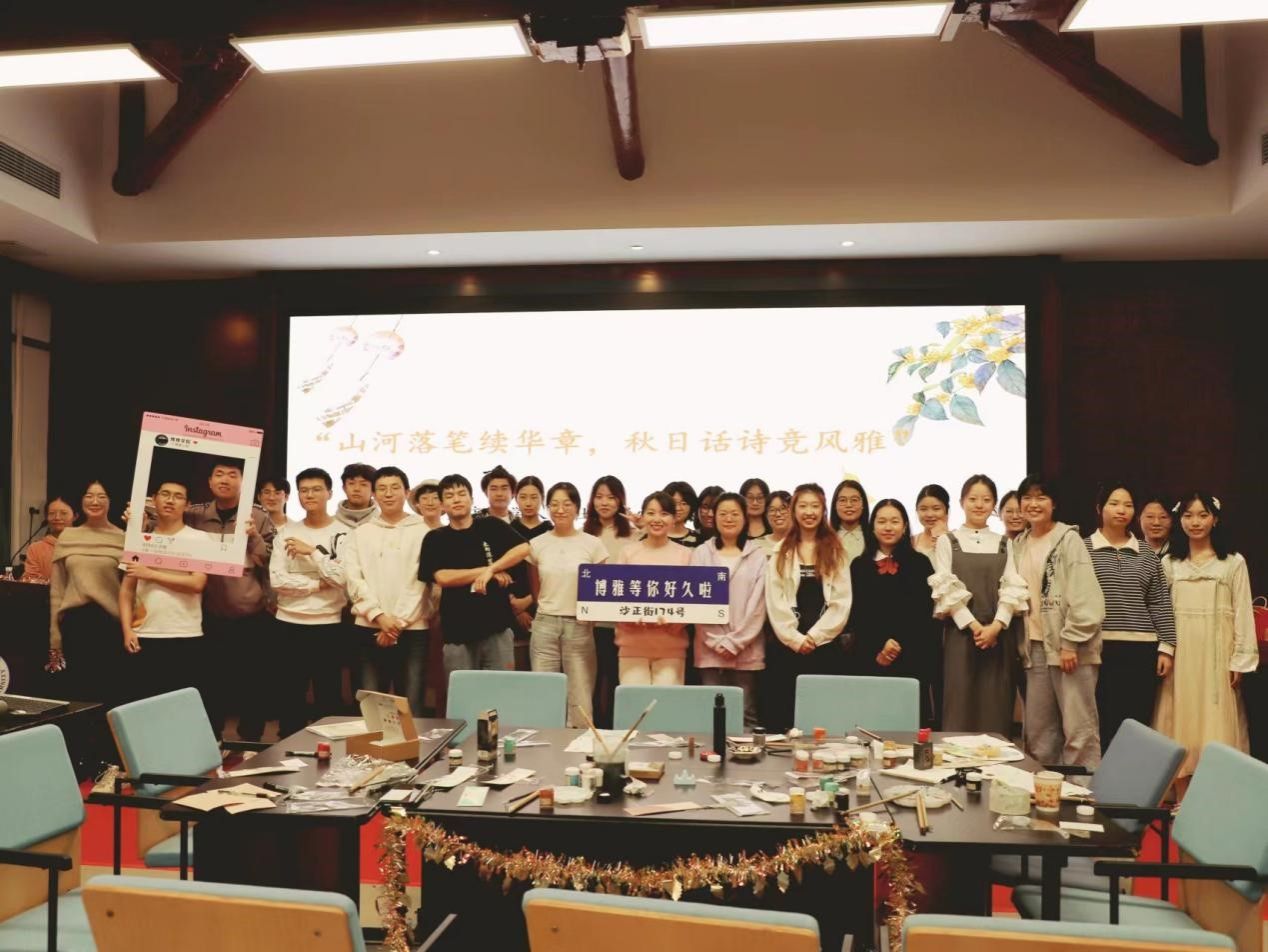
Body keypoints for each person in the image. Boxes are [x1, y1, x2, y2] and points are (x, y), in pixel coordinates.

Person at [1155, 492, 1257, 780]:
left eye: (1203, 515)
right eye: (1188, 516)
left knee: (1216, 719)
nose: (1195, 522)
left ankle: (1216, 790)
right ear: (1180, 520)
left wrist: (1240, 659)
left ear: (1215, 519)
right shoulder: (1170, 563)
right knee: (1179, 718)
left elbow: (1243, 611)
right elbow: (1162, 611)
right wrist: (1165, 648)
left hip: (1217, 654)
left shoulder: (1233, 563)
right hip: (1181, 655)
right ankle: (1179, 792)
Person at [1012, 475, 1105, 768]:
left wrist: (1071, 642)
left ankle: (1082, 791)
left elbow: (1086, 596)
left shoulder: (1069, 540)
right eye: (1027, 498)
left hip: (1070, 647)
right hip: (1035, 647)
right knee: (1039, 732)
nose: (1033, 504)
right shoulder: (1019, 543)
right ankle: (1045, 789)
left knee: (1078, 730)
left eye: (1041, 498)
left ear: (1054, 504)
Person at [182, 457, 275, 741]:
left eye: (232, 474)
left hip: (251, 614)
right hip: (209, 614)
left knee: (253, 684)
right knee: (210, 683)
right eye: (219, 474)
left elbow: (270, 561)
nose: (225, 479)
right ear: (210, 482)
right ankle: (212, 740)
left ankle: (251, 742)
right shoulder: (194, 514)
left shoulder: (257, 516)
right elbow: (163, 527)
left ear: (243, 481)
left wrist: (253, 536)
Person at [929, 474, 1028, 735]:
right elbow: (945, 589)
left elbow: (1012, 587)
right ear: (962, 502)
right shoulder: (947, 541)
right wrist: (974, 627)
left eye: (986, 499)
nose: (979, 504)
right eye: (973, 499)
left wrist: (996, 627)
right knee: (959, 708)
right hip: (961, 635)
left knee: (996, 709)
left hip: (998, 638)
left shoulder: (1005, 543)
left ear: (994, 504)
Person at [1085, 481, 1176, 754]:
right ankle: (1101, 778)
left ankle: (1132, 778)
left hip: (1141, 648)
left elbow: (1159, 602)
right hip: (1097, 647)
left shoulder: (1147, 553)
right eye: (1114, 504)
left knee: (1136, 720)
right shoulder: (1082, 548)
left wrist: (1167, 647)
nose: (1121, 510)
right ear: (1100, 508)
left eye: (1127, 505)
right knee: (1099, 718)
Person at [418, 474, 530, 674]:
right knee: (462, 690)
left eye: (462, 494)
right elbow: (443, 577)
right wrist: (487, 571)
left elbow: (523, 548)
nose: (457, 499)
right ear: (442, 505)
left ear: (471, 499)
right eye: (450, 496)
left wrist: (492, 569)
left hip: (497, 626)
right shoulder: (435, 538)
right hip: (457, 630)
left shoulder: (491, 525)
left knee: (500, 688)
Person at [343, 466, 432, 716]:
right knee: (371, 706)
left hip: (413, 629)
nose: (388, 493)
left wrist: (396, 624)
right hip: (368, 626)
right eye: (381, 488)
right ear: (374, 494)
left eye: (395, 488)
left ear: (407, 492)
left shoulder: (424, 532)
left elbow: (420, 582)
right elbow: (353, 578)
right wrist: (379, 616)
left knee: (411, 706)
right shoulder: (360, 533)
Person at [846, 499, 941, 726]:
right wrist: (879, 646)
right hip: (870, 656)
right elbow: (857, 614)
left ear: (905, 526)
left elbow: (924, 613)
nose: (888, 527)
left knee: (909, 725)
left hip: (912, 656)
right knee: (871, 723)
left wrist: (898, 644)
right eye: (882, 521)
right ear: (872, 527)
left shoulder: (920, 563)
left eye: (895, 521)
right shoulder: (859, 566)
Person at [766, 483, 852, 731]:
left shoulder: (835, 549)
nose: (809, 512)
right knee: (785, 715)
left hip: (824, 645)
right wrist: (794, 638)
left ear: (823, 510)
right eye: (803, 506)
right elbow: (775, 599)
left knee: (822, 717)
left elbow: (842, 601)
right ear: (794, 510)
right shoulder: (781, 549)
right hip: (787, 645)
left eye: (815, 506)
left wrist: (815, 637)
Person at [270, 467, 349, 736]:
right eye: (304, 490)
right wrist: (318, 583)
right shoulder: (286, 532)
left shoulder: (344, 533)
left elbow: (342, 578)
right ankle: (288, 748)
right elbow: (277, 580)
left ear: (330, 493)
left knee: (329, 695)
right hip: (288, 622)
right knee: (290, 694)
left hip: (329, 623)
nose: (309, 495)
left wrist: (312, 552)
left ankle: (330, 752)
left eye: (316, 489)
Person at [119, 479, 209, 706]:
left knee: (182, 705)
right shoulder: (140, 539)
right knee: (145, 704)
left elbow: (197, 583)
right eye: (165, 494)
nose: (170, 500)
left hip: (185, 633)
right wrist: (127, 630)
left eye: (178, 496)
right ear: (154, 499)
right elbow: (126, 591)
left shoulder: (198, 538)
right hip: (145, 634)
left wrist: (150, 574)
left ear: (187, 505)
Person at [527, 482, 608, 727]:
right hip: (545, 624)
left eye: (566, 504)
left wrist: (590, 616)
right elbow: (536, 587)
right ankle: (546, 743)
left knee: (581, 693)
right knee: (544, 691)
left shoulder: (593, 544)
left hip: (579, 624)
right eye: (554, 504)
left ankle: (580, 743)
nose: (560, 510)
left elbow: (599, 588)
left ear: (577, 507)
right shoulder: (537, 543)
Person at [690, 492, 766, 728]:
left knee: (745, 716)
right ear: (714, 517)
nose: (729, 519)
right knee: (709, 718)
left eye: (735, 513)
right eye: (723, 513)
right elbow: (695, 602)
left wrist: (736, 641)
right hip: (709, 648)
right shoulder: (701, 553)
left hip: (747, 649)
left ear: (745, 518)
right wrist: (715, 640)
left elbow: (758, 605)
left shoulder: (758, 555)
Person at [48, 480, 125, 705]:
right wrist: (54, 634)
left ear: (110, 501)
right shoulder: (68, 537)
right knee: (76, 694)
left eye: (101, 496)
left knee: (110, 693)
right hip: (75, 624)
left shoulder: (122, 538)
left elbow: (132, 588)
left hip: (112, 625)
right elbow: (57, 589)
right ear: (81, 501)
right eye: (89, 496)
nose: (95, 501)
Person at [615, 491, 693, 685]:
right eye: (651, 513)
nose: (657, 519)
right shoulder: (628, 553)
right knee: (634, 703)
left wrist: (675, 621)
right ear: (642, 517)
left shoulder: (686, 555)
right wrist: (631, 616)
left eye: (664, 513)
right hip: (632, 645)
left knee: (667, 702)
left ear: (674, 519)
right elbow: (615, 599)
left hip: (672, 647)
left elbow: (693, 604)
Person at [583, 475, 635, 725]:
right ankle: (594, 727)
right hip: (591, 621)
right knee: (592, 678)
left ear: (620, 501)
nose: (604, 503)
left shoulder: (633, 534)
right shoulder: (583, 533)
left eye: (611, 497)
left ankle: (616, 727)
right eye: (599, 497)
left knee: (616, 677)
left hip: (623, 621)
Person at [22, 495, 76, 582]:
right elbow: (31, 580)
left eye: (63, 513)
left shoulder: (87, 546)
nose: (57, 517)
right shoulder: (35, 549)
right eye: (52, 513)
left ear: (75, 516)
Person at [830, 479, 869, 565]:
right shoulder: (826, 538)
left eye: (854, 500)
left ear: (863, 504)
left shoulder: (873, 537)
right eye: (843, 500)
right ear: (835, 505)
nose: (849, 505)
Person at [911, 484, 950, 558]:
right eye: (923, 509)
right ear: (917, 510)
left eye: (936, 509)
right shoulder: (910, 542)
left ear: (946, 511)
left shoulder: (957, 540)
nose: (929, 514)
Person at [336, 462, 378, 529]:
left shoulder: (384, 524)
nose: (356, 489)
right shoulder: (329, 524)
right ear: (344, 488)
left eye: (363, 484)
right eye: (351, 483)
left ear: (373, 491)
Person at [510, 475, 552, 540]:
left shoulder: (550, 530)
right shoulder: (510, 530)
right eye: (523, 497)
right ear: (516, 499)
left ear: (542, 498)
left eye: (534, 497)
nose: (528, 503)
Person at [663, 480, 702, 547]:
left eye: (684, 503)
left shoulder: (699, 540)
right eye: (673, 503)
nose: (678, 508)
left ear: (692, 506)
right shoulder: (654, 536)